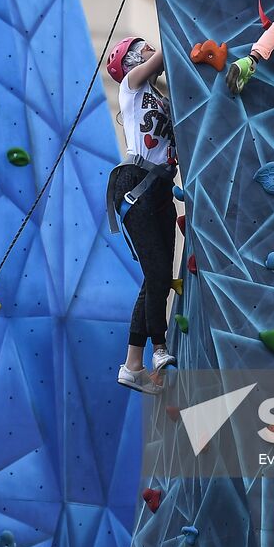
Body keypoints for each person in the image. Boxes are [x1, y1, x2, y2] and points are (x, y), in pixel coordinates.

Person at [105, 37, 179, 395]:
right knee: (158, 272)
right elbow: (168, 50)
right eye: (144, 49)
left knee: (157, 276)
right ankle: (159, 349)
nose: (151, 51)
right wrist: (173, 32)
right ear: (133, 59)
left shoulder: (162, 99)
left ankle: (132, 364)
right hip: (137, 182)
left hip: (161, 187)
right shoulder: (131, 86)